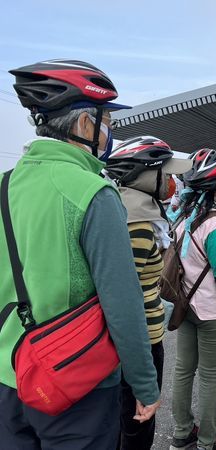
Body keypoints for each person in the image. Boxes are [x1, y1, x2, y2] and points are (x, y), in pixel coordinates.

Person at [0, 59, 160, 449]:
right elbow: (122, 302)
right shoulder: (94, 192)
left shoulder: (5, 185)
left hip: (8, 375)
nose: (109, 133)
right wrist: (144, 383)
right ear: (85, 125)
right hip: (76, 383)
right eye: (107, 122)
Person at [106, 136, 192, 450]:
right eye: (166, 173)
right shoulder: (138, 225)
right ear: (145, 175)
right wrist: (143, 378)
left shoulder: (121, 207)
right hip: (139, 341)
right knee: (136, 427)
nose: (172, 182)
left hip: (128, 340)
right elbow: (123, 298)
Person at [169, 148, 216, 450]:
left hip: (185, 306)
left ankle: (181, 433)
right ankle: (207, 442)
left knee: (183, 370)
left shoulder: (180, 217)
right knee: (211, 377)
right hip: (212, 313)